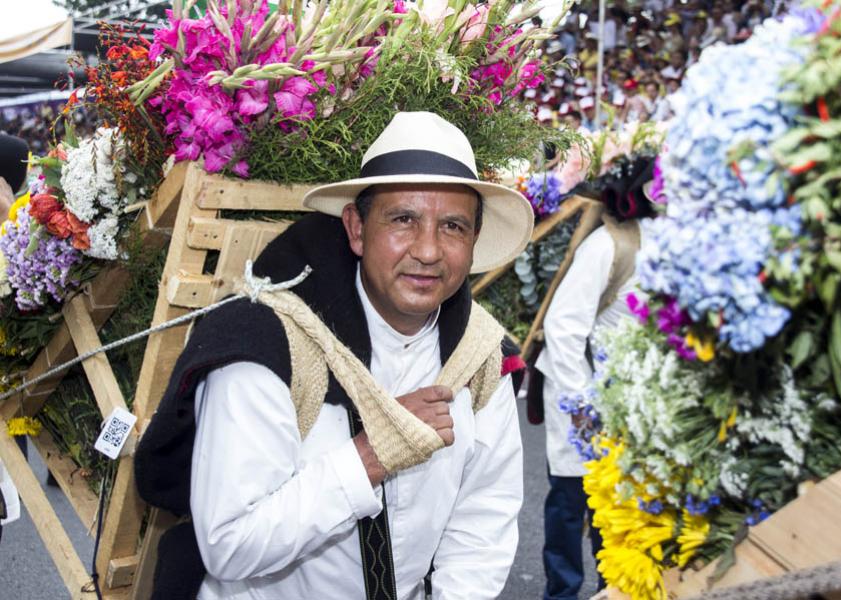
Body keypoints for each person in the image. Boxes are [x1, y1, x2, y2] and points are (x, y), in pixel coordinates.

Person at [135, 112, 532, 600]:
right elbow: (228, 545)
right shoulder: (266, 344)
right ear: (357, 229)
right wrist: (369, 458)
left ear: (472, 243)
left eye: (452, 226)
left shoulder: (479, 358)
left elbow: (484, 519)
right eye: (403, 219)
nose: (428, 250)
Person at [537, 155, 658, 600]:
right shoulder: (610, 244)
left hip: (643, 406)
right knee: (572, 505)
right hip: (584, 394)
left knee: (628, 515)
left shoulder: (686, 245)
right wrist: (583, 402)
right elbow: (563, 328)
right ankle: (563, 593)